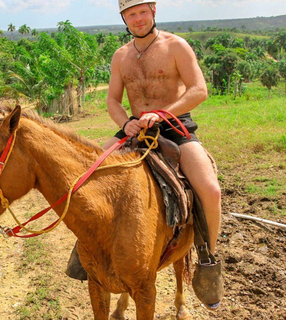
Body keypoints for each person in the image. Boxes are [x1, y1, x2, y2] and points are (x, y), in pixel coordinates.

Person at [66, 0, 223, 309]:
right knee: (87, 182)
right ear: (123, 17)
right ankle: (85, 254)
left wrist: (163, 114)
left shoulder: (175, 46)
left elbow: (198, 90)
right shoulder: (121, 56)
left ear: (153, 11)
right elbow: (112, 99)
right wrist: (125, 122)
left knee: (210, 190)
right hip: (135, 130)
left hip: (176, 128)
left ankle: (208, 259)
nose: (137, 19)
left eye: (141, 12)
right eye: (130, 14)